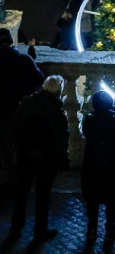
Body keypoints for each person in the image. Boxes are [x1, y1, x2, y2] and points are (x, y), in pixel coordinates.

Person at [9, 75, 69, 244]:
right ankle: (40, 230)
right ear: (59, 91)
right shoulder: (57, 112)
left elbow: (16, 126)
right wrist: (63, 160)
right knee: (43, 196)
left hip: (25, 155)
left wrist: (18, 148)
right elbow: (61, 139)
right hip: (46, 159)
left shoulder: (27, 103)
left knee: (21, 194)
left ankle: (16, 228)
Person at [81, 90, 115, 245]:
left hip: (92, 162)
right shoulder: (114, 118)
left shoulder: (89, 119)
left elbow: (86, 131)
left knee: (92, 198)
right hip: (111, 163)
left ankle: (92, 230)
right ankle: (110, 230)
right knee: (111, 198)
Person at [0, 28, 44, 185]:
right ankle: (22, 176)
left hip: (2, 111)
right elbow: (40, 81)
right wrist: (31, 57)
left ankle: (11, 176)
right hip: (20, 109)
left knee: (6, 147)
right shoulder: (24, 60)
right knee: (21, 144)